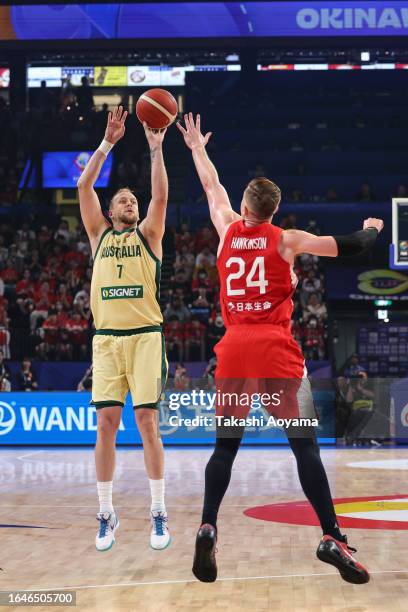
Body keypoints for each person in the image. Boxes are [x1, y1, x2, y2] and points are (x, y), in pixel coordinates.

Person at [177, 112, 384, 585]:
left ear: (245, 207)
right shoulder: (287, 240)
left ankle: (208, 524)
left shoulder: (228, 229)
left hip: (232, 351)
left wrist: (196, 147)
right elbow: (349, 246)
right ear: (274, 211)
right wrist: (372, 227)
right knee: (304, 448)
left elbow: (212, 188)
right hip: (276, 351)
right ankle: (331, 534)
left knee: (224, 450)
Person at [77, 106, 170, 552]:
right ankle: (106, 513)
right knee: (106, 426)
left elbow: (161, 199)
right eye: (123, 200)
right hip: (107, 341)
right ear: (111, 211)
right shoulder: (99, 236)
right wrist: (108, 142)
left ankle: (157, 511)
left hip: (146, 337)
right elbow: (83, 184)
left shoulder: (149, 236)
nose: (130, 203)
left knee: (148, 423)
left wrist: (155, 150)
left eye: (134, 200)